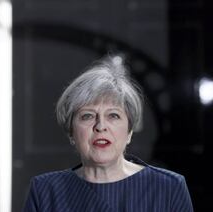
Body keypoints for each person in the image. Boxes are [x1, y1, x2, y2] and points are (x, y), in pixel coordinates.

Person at [22, 55, 194, 212]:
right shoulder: (45, 190)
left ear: (129, 132)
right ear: (71, 132)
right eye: (87, 116)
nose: (101, 126)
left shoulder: (169, 187)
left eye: (113, 115)